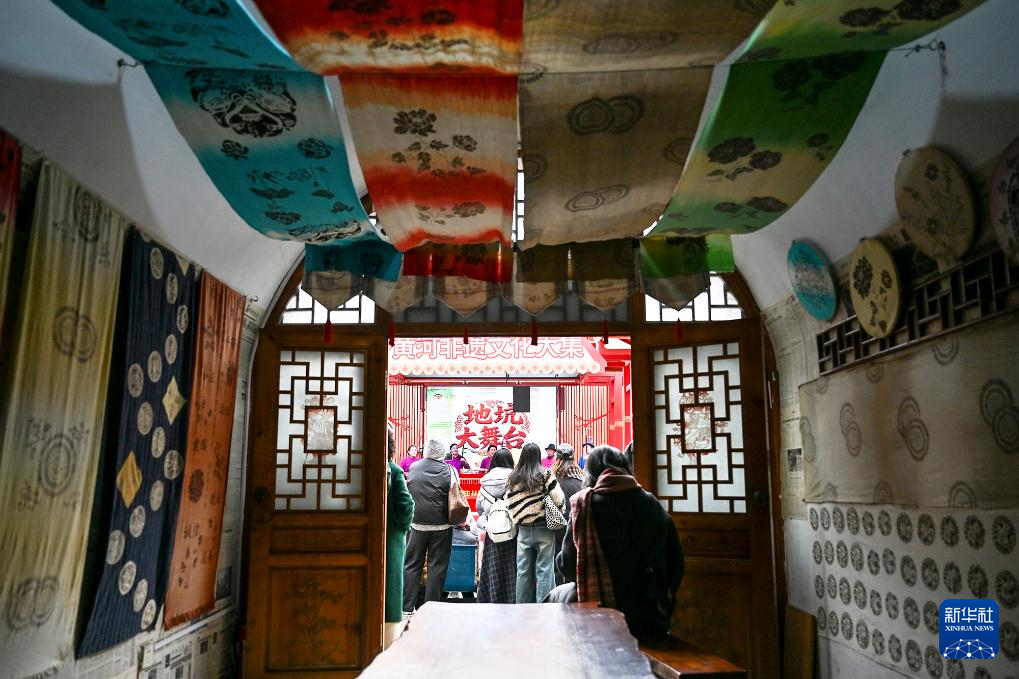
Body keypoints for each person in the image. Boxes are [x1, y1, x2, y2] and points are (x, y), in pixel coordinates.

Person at [556, 445, 684, 641]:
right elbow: (675, 562)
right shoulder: (650, 503)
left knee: (556, 597)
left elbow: (568, 566)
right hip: (646, 613)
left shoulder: (584, 505)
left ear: (590, 474)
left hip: (595, 610)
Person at [404, 439, 458, 613]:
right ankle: (430, 608)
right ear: (442, 452)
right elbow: (456, 495)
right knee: (437, 567)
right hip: (442, 526)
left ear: (426, 451)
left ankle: (407, 606)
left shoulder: (414, 467)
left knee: (412, 564)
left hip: (417, 524)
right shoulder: (450, 470)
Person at [506, 442, 565, 603]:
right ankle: (544, 607)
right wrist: (560, 511)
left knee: (523, 571)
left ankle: (522, 607)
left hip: (523, 530)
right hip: (544, 528)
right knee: (545, 570)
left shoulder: (513, 476)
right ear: (538, 456)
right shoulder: (545, 473)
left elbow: (509, 501)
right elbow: (559, 499)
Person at [385, 429, 414, 646]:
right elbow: (406, 505)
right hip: (391, 537)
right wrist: (401, 528)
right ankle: (387, 641)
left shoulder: (355, 465)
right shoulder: (393, 470)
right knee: (390, 586)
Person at [476, 448, 516, 603]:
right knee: (511, 569)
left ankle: (491, 599)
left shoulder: (485, 481)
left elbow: (480, 508)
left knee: (492, 568)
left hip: (492, 532)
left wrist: (487, 523)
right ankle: (511, 600)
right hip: (512, 532)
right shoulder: (516, 479)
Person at [550, 443, 584, 582]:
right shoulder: (581, 479)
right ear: (573, 458)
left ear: (557, 458)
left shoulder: (551, 479)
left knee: (556, 559)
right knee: (573, 559)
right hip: (576, 524)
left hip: (555, 525)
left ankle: (557, 590)